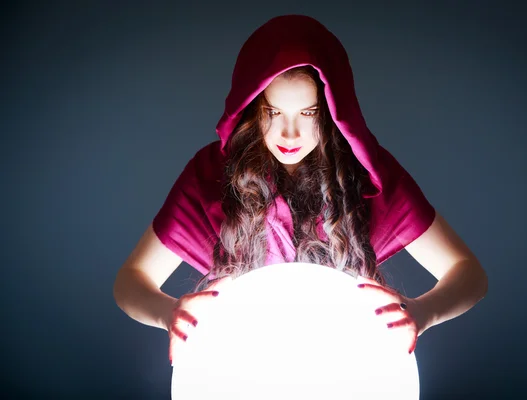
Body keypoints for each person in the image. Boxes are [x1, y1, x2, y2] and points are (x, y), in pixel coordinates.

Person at [113, 14, 488, 367]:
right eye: (272, 112)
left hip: (344, 367)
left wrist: (422, 312)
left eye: (307, 114)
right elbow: (131, 280)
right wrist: (168, 313)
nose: (288, 134)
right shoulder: (208, 175)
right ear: (249, 109)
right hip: (242, 368)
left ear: (332, 111)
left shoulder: (368, 175)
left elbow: (469, 273)